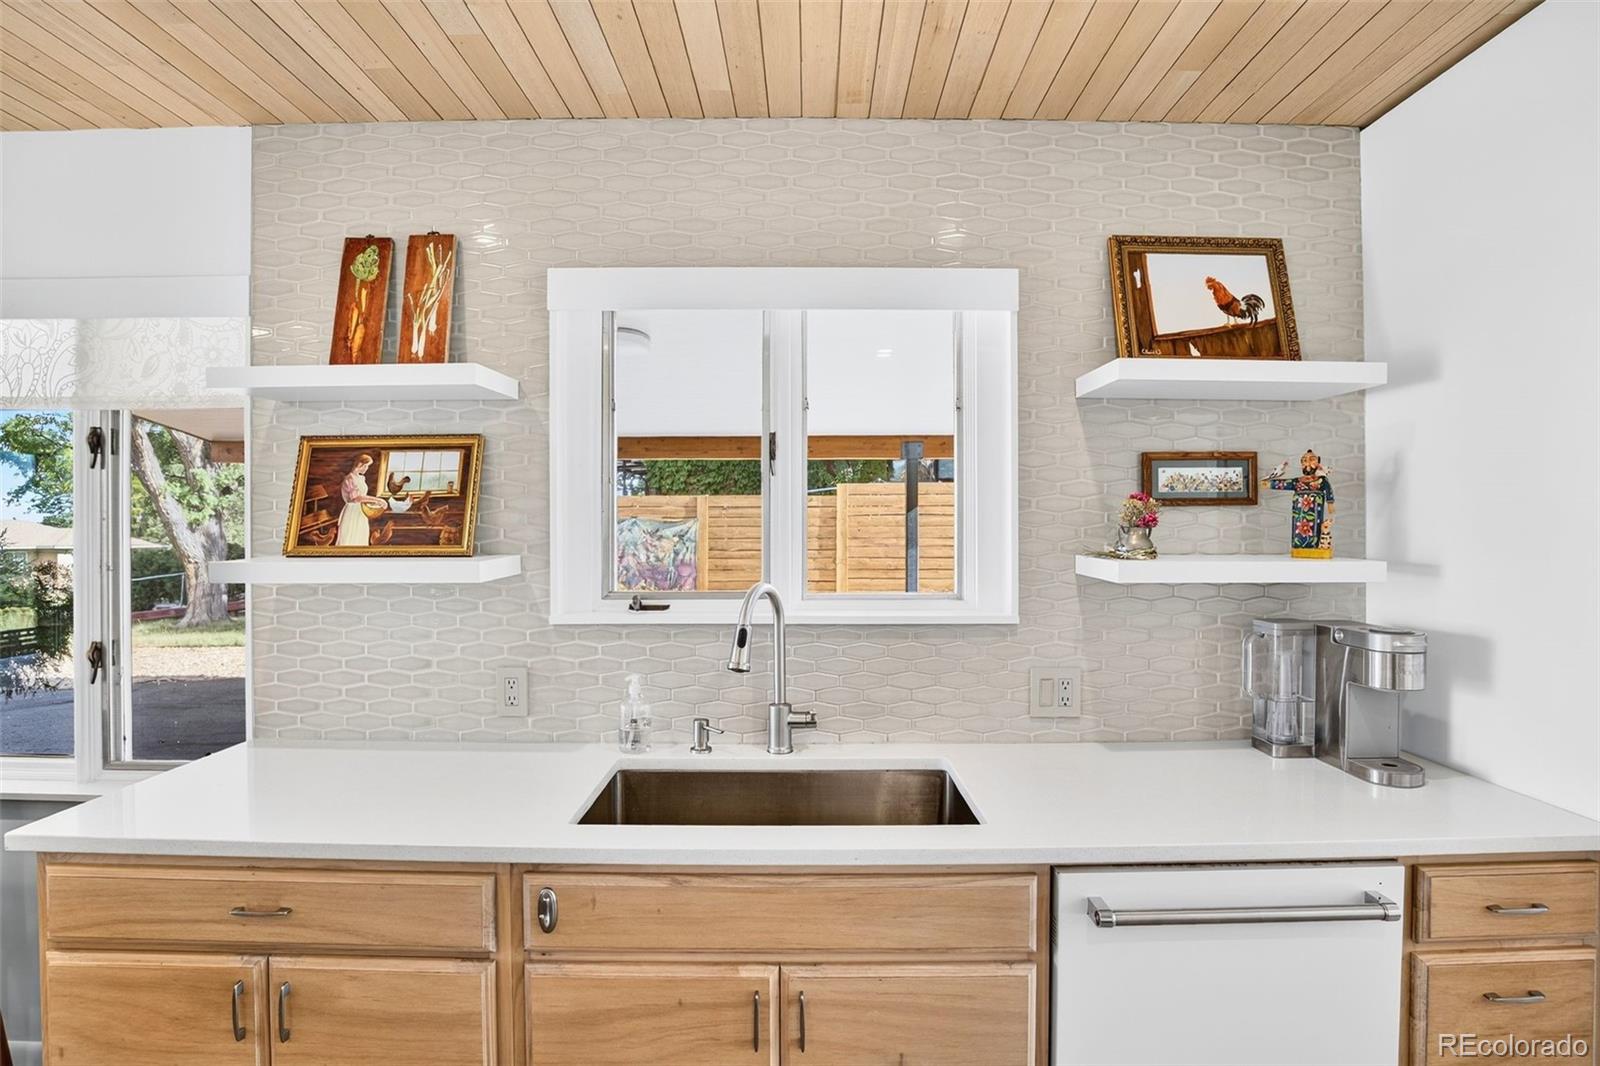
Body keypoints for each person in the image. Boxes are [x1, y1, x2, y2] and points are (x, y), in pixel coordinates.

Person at [1264, 449, 1334, 559]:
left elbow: (1328, 489)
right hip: (1299, 513)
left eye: (1312, 460)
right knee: (1298, 530)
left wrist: (1330, 503)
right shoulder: (1297, 482)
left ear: (1318, 462)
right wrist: (1269, 483)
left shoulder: (1322, 481)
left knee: (1315, 530)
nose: (1308, 463)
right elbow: (1283, 484)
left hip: (1315, 511)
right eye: (1304, 460)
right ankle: (1299, 547)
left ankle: (1315, 547)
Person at [334, 453, 386, 547]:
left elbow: (362, 496)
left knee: (360, 536)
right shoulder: (349, 479)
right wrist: (377, 500)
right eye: (366, 466)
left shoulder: (361, 478)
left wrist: (373, 501)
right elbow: (357, 498)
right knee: (350, 537)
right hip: (352, 511)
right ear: (359, 464)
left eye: (368, 466)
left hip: (361, 510)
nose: (366, 468)